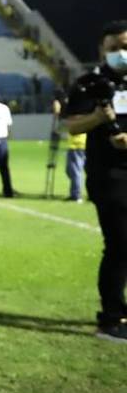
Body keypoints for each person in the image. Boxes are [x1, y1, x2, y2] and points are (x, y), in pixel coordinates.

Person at [61, 19, 127, 344]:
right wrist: (99, 119)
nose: (122, 53)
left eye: (126, 46)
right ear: (102, 50)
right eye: (115, 48)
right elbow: (73, 126)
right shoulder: (90, 84)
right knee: (119, 246)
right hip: (109, 176)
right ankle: (111, 320)